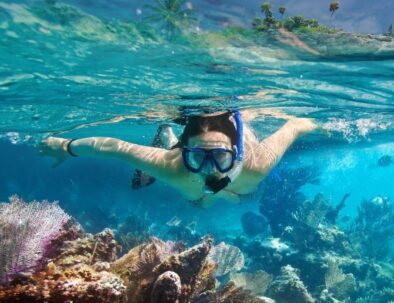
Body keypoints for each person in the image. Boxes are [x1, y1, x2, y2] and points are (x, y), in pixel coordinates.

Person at [39, 109, 318, 207]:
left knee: (243, 197)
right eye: (197, 157)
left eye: (220, 157)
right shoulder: (173, 167)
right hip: (187, 171)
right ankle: (170, 138)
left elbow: (294, 125)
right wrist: (66, 146)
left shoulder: (257, 163)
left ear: (236, 152)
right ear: (186, 154)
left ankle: (170, 138)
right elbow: (114, 147)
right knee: (200, 203)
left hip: (239, 183)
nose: (210, 169)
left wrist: (329, 126)